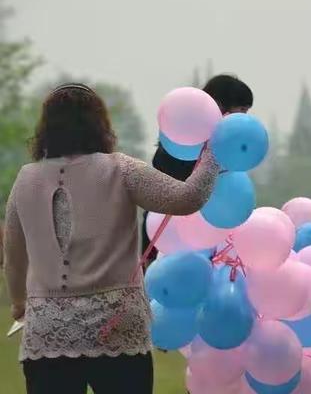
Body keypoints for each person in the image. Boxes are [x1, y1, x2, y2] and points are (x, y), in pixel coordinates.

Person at [3, 83, 219, 394]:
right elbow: (187, 198)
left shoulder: (26, 179)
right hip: (117, 325)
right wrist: (212, 155)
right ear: (99, 124)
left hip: (48, 329)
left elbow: (14, 256)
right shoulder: (121, 169)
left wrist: (19, 304)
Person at [141, 74, 253, 266]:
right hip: (168, 242)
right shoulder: (179, 147)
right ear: (220, 106)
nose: (245, 118)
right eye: (241, 110)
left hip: (212, 243)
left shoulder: (224, 152)